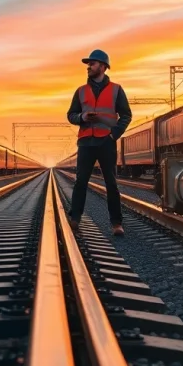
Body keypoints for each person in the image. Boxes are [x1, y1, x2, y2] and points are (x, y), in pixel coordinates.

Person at [66, 49, 132, 236]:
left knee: (111, 183)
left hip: (106, 142)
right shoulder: (80, 91)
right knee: (81, 182)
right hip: (86, 141)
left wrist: (114, 134)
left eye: (92, 63)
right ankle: (75, 219)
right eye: (88, 64)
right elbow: (71, 115)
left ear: (103, 67)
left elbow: (126, 115)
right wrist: (82, 116)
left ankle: (116, 223)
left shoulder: (116, 90)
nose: (88, 67)